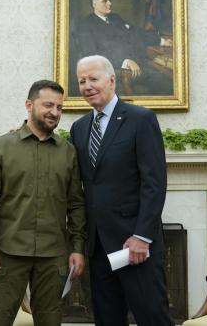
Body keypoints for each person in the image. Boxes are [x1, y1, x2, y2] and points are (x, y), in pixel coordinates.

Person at [69, 55, 173, 326]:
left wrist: (142, 235)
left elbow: (155, 183)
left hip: (134, 245)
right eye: (82, 81)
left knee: (152, 317)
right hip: (98, 247)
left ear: (112, 80)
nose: (87, 86)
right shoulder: (78, 129)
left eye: (93, 79)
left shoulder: (141, 119)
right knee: (107, 319)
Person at [0, 80, 86, 326]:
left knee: (50, 321)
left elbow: (76, 204)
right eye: (48, 105)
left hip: (53, 255)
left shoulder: (68, 152)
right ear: (29, 104)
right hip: (8, 253)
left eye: (59, 107)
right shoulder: (1, 146)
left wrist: (77, 247)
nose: (54, 112)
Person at [74, 0, 173, 96]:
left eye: (109, 0)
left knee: (167, 74)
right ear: (94, 5)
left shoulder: (115, 18)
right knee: (163, 80)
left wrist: (161, 41)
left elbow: (136, 32)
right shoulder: (86, 25)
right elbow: (92, 56)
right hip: (116, 71)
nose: (110, 3)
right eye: (105, 1)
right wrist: (125, 62)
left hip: (137, 62)